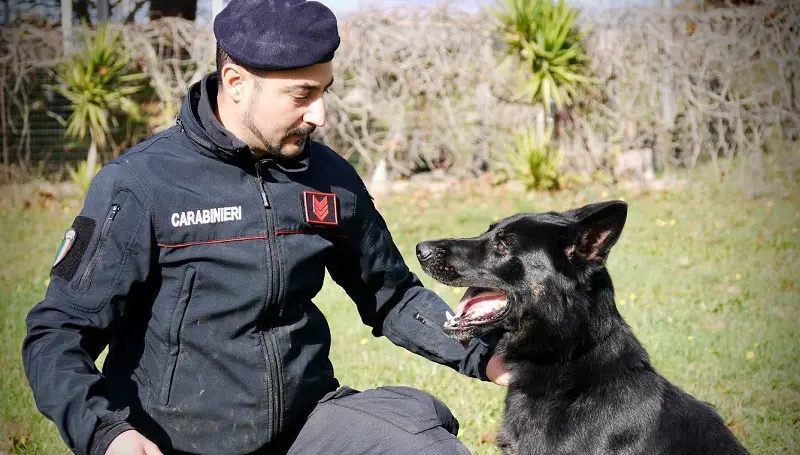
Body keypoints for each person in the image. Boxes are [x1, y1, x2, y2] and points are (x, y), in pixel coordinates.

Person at [21, 1, 509, 454]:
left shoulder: (328, 177)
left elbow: (393, 297)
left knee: (427, 446)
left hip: (304, 425)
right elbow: (58, 333)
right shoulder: (140, 183)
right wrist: (107, 434)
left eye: (324, 91)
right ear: (235, 82)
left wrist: (484, 354)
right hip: (176, 442)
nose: (319, 115)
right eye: (302, 95)